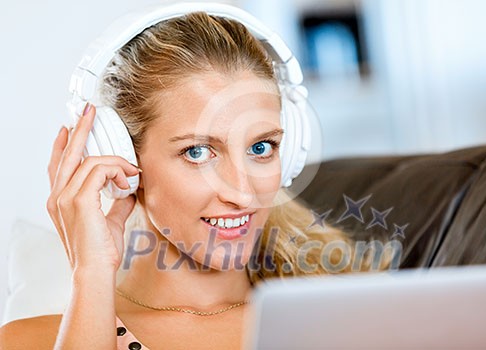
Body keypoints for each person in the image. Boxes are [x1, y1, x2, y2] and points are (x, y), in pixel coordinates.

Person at [0, 4, 391, 349]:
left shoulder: (349, 325)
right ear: (119, 156)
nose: (242, 193)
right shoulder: (27, 341)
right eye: (198, 152)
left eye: (261, 147)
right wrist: (91, 272)